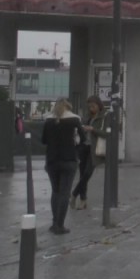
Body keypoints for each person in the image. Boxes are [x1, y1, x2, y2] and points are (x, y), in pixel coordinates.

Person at [41, 99, 85, 235]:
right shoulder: (75, 120)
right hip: (69, 160)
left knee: (55, 192)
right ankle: (60, 225)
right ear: (68, 107)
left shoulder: (48, 120)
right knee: (65, 193)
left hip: (52, 160)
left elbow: (43, 140)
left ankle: (54, 223)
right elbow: (82, 138)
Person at [71, 96, 108, 210]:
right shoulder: (87, 116)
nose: (91, 108)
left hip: (94, 148)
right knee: (82, 174)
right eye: (89, 106)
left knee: (87, 173)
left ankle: (74, 194)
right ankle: (83, 200)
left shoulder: (104, 117)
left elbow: (106, 133)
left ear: (99, 105)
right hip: (84, 147)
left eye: (93, 106)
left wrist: (92, 129)